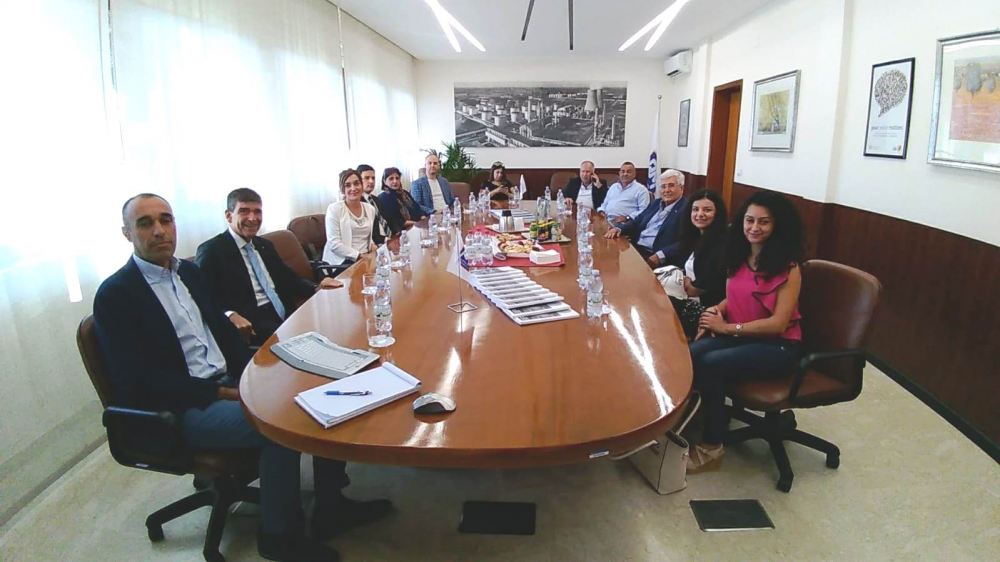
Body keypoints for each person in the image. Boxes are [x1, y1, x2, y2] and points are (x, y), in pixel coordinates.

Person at [94, 194, 390, 562]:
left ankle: (331, 507)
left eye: (165, 220)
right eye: (145, 223)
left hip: (229, 379)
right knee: (282, 424)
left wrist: (260, 371)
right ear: (127, 233)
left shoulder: (187, 273)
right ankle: (279, 537)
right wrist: (223, 392)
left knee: (322, 387)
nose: (159, 231)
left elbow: (222, 332)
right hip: (184, 406)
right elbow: (139, 382)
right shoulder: (117, 294)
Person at [687, 190, 805, 473]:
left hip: (778, 345)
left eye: (764, 222)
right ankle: (706, 418)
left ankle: (712, 446)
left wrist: (726, 328)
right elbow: (738, 296)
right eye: (749, 220)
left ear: (777, 226)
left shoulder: (789, 269)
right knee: (691, 353)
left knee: (711, 363)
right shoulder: (739, 257)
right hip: (741, 336)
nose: (754, 228)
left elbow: (778, 323)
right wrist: (717, 310)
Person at [195, 188, 342, 346]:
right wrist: (229, 314)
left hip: (286, 315)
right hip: (252, 326)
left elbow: (289, 279)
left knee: (338, 327)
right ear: (229, 216)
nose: (252, 218)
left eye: (257, 212)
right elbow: (204, 299)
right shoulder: (212, 251)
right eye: (244, 211)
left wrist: (317, 287)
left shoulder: (264, 245)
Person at [666, 189, 728, 339]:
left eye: (707, 210)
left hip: (707, 308)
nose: (700, 214)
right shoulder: (695, 237)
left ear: (717, 214)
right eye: (695, 209)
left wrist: (686, 282)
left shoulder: (721, 244)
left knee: (658, 305)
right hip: (688, 296)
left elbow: (696, 289)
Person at [604, 169, 687, 267]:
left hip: (655, 256)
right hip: (637, 248)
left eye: (671, 186)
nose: (666, 190)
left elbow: (686, 242)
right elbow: (638, 221)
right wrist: (619, 229)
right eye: (663, 186)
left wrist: (660, 255)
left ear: (681, 188)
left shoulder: (686, 209)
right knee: (608, 259)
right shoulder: (657, 203)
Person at [323, 169, 377, 267]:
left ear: (362, 185)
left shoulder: (370, 209)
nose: (353, 188)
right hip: (343, 261)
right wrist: (360, 256)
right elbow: (334, 244)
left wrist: (373, 247)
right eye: (348, 185)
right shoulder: (334, 209)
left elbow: (366, 236)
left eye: (356, 183)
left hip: (366, 256)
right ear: (342, 189)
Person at [596, 161, 650, 228]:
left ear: (634, 174)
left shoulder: (641, 189)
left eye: (628, 172)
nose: (625, 174)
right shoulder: (613, 187)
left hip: (625, 223)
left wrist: (627, 217)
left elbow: (644, 211)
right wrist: (601, 211)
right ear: (619, 173)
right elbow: (604, 204)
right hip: (607, 220)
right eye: (623, 171)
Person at [377, 166, 427, 235]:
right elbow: (396, 221)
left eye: (397, 178)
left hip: (416, 227)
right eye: (391, 179)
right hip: (401, 232)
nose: (395, 181)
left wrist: (423, 217)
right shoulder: (384, 197)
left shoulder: (404, 193)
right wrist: (417, 223)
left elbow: (417, 207)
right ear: (384, 181)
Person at [356, 164, 389, 245]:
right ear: (358, 181)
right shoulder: (357, 202)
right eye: (367, 178)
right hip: (375, 243)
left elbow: (386, 220)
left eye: (373, 178)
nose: (371, 181)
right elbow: (367, 232)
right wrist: (386, 240)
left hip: (388, 238)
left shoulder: (376, 199)